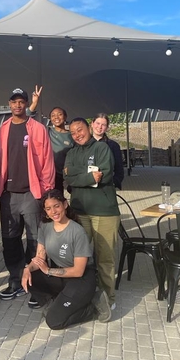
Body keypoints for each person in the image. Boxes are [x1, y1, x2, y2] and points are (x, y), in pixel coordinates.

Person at [0, 88, 55, 305]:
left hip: (32, 193)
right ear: (9, 105)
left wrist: (46, 190)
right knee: (10, 241)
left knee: (34, 240)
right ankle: (15, 280)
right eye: (14, 102)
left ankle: (37, 285)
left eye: (22, 102)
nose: (18, 105)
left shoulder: (38, 129)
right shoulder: (2, 130)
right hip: (8, 195)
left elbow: (47, 160)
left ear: (26, 104)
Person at [21, 189, 111, 328]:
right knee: (30, 276)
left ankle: (93, 306)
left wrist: (49, 270)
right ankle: (57, 303)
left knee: (54, 322)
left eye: (56, 206)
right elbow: (40, 257)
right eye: (49, 208)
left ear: (65, 205)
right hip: (62, 278)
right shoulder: (45, 227)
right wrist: (27, 269)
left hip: (81, 280)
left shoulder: (77, 231)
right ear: (45, 211)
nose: (54, 212)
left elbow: (79, 271)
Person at [64, 117, 120, 312]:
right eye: (73, 132)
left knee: (105, 258)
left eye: (80, 129)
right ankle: (79, 296)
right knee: (78, 258)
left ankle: (108, 297)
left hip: (104, 212)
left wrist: (78, 176)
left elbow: (106, 175)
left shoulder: (102, 148)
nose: (77, 134)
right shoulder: (71, 153)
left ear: (88, 128)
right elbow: (67, 177)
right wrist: (89, 176)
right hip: (80, 212)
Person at [91, 113, 124, 190]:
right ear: (92, 124)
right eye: (98, 123)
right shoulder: (84, 144)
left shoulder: (113, 146)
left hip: (106, 187)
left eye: (103, 125)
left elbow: (119, 170)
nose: (100, 127)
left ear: (107, 128)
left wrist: (113, 183)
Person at [47, 107, 74, 192]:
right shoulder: (47, 131)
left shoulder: (72, 135)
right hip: (51, 174)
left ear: (65, 117)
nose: (56, 117)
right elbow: (30, 120)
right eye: (53, 115)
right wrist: (34, 104)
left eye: (59, 114)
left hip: (67, 173)